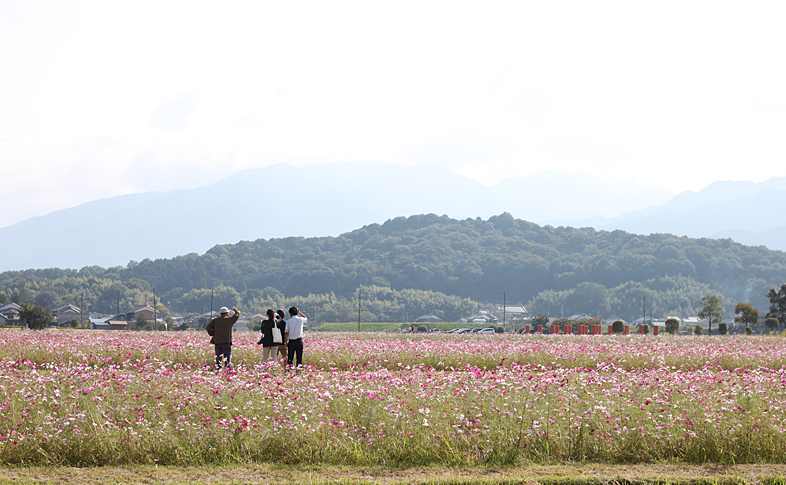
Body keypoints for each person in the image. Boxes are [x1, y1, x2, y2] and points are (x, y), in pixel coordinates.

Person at [206, 306, 240, 370]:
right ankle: (227, 369)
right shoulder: (229, 320)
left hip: (217, 341)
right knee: (227, 357)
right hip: (226, 342)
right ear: (227, 313)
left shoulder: (215, 321)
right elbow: (236, 316)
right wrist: (236, 310)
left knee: (218, 357)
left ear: (220, 313)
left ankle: (219, 369)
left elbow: (208, 327)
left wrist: (213, 334)